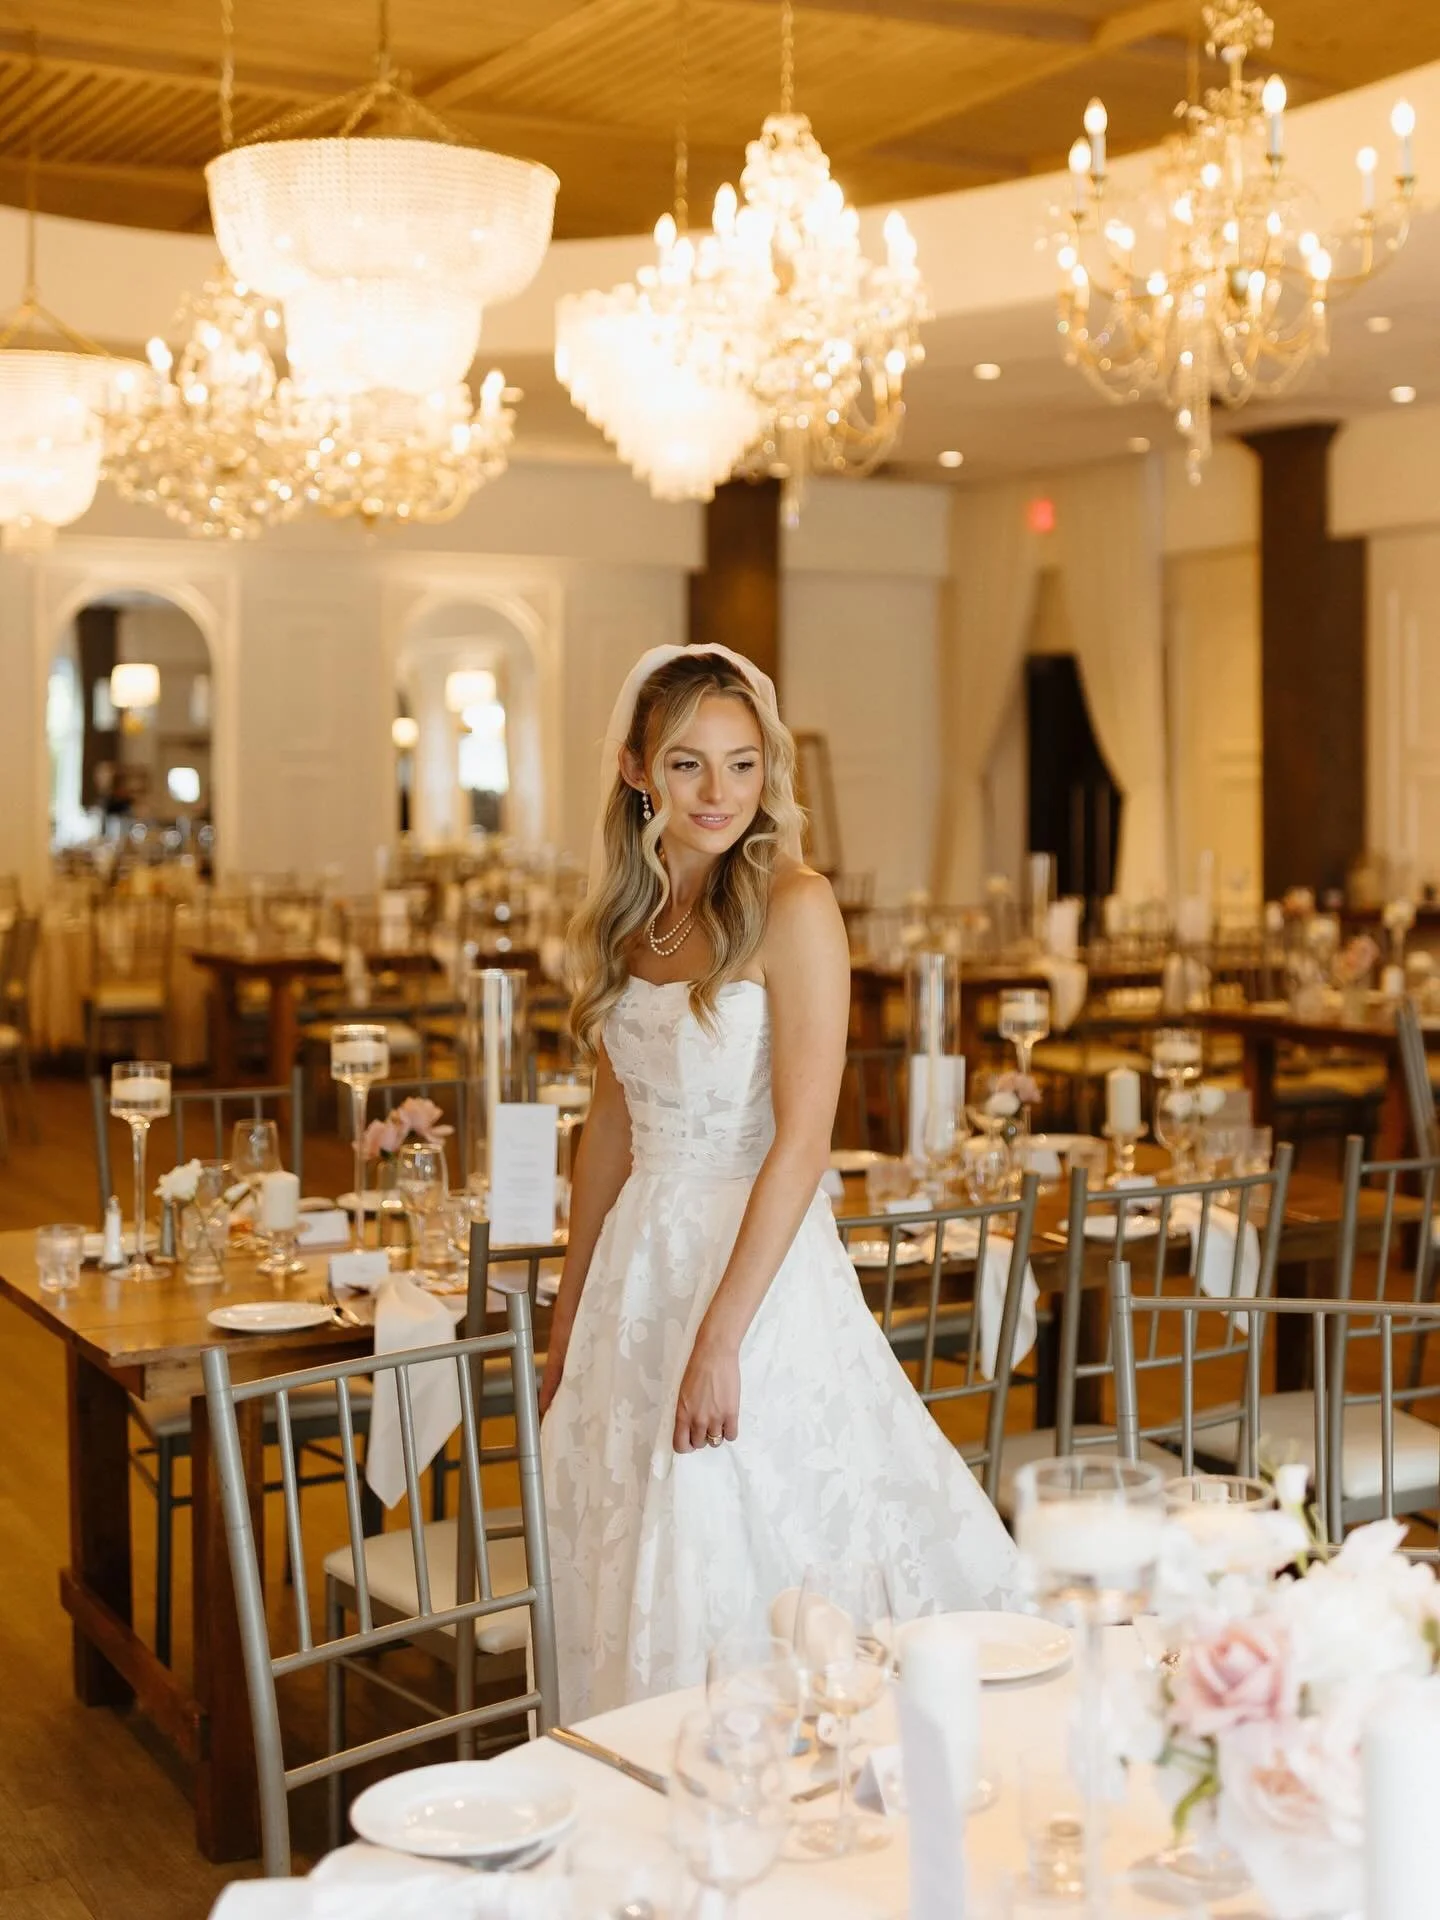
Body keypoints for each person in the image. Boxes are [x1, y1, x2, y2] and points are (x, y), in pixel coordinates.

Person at [539, 644, 1020, 1719]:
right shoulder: (628, 916)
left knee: (737, 1517)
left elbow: (804, 1138)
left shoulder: (796, 905)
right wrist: (569, 1309)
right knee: (636, 1531)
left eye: (743, 765)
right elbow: (610, 1124)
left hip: (754, 1263)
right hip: (638, 1268)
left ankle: (773, 1768)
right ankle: (643, 1772)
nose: (719, 795)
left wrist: (721, 1338)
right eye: (689, 766)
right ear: (635, 770)